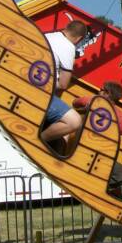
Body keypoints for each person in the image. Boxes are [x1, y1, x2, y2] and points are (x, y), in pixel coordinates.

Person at [41, 20, 88, 149]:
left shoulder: (48, 36)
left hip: (26, 82)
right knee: (74, 122)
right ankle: (39, 141)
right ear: (79, 38)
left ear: (65, 28)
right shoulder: (68, 47)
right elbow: (62, 84)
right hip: (41, 92)